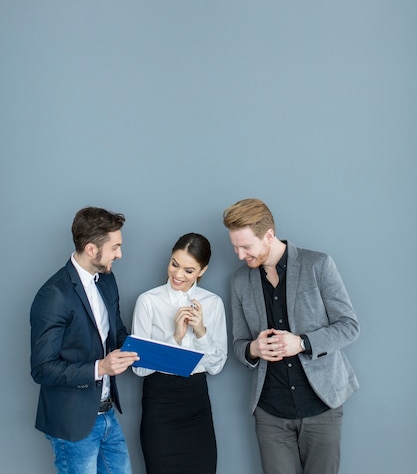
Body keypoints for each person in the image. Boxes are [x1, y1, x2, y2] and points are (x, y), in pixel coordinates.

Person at [223, 198, 359, 474]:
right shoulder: (240, 281)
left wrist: (302, 343)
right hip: (270, 412)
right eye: (235, 247)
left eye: (246, 247)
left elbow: (349, 326)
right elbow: (238, 345)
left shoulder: (317, 264)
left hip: (322, 405)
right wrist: (254, 349)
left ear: (269, 235)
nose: (240, 255)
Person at [30, 206, 139, 474]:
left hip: (108, 416)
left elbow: (118, 334)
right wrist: (100, 368)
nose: (120, 254)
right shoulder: (53, 295)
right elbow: (42, 368)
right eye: (115, 247)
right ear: (91, 249)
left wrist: (149, 347)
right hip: (72, 423)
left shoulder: (107, 280)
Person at [131, 232, 227, 474]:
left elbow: (216, 367)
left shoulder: (213, 303)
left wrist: (202, 331)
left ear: (202, 271)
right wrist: (175, 337)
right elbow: (139, 368)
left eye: (188, 270)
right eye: (175, 264)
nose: (178, 274)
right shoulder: (148, 301)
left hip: (196, 402)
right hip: (159, 402)